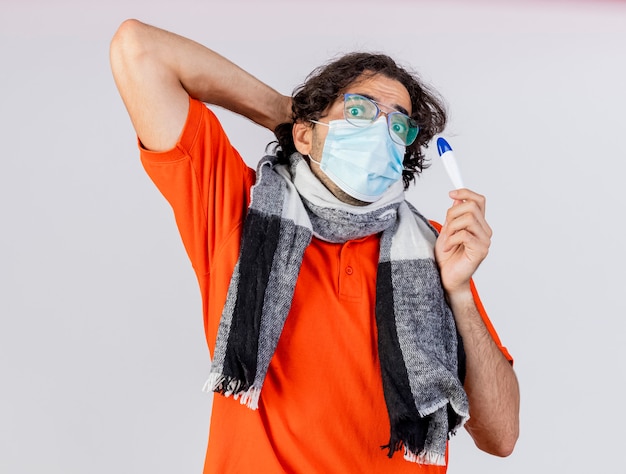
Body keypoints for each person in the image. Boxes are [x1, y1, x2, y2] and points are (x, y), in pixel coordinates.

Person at [110, 19, 519, 474]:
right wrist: (288, 115)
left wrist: (460, 294)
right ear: (305, 134)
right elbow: (137, 49)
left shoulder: (436, 251)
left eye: (398, 126)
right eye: (360, 112)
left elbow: (501, 436)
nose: (381, 133)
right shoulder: (239, 212)